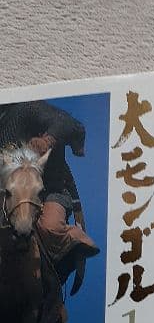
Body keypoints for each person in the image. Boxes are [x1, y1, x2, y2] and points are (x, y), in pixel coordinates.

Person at [0, 100, 99, 299]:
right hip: (12, 195)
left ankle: (72, 248)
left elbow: (70, 124)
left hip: (50, 191)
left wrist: (47, 140)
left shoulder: (26, 109)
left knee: (50, 227)